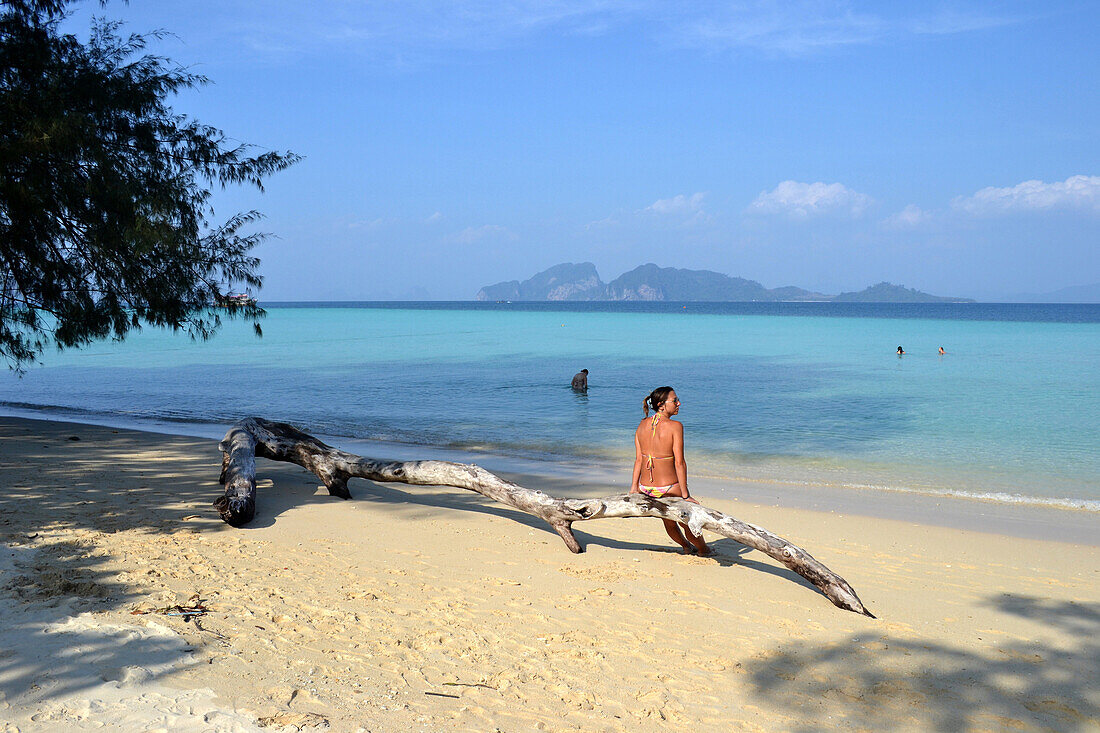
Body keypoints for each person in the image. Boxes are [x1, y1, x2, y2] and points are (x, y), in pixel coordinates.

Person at [630, 386, 711, 556]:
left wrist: (634, 488)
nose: (679, 403)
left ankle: (686, 547)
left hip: (645, 487)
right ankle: (703, 550)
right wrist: (685, 494)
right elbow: (680, 462)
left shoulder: (642, 424)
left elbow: (638, 460)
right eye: (674, 401)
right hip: (668, 487)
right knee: (687, 521)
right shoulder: (675, 426)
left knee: (668, 521)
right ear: (661, 404)